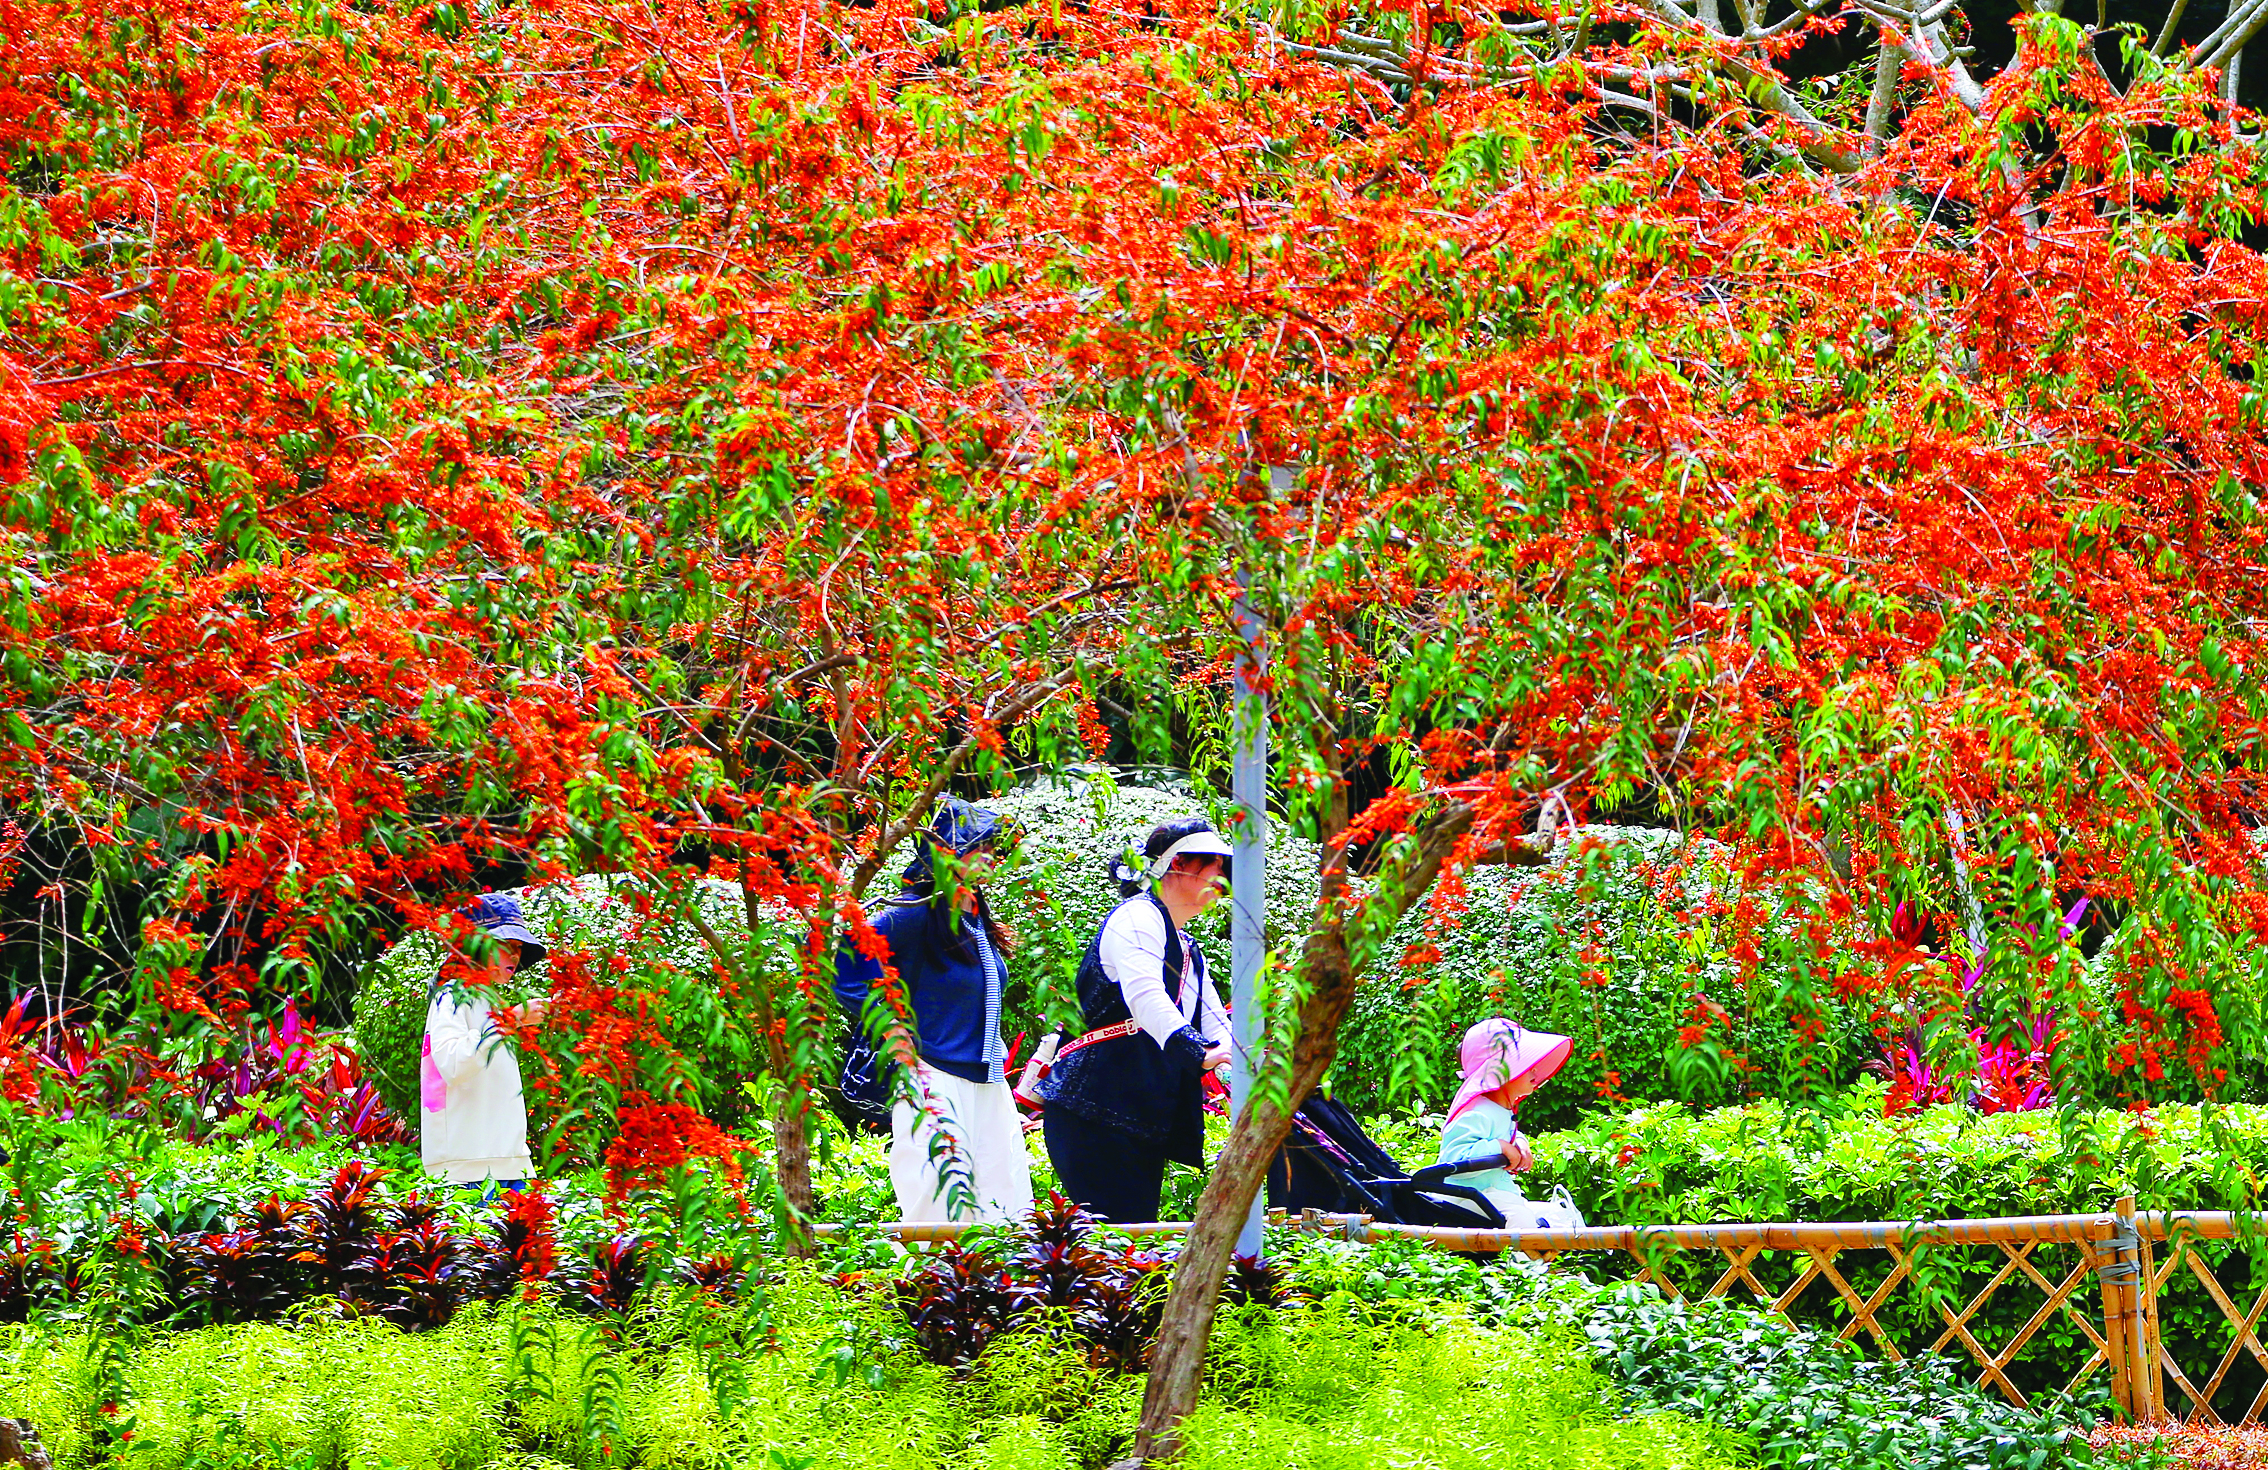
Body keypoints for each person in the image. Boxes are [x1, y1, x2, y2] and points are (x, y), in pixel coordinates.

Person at [833, 798, 1034, 1223]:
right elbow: (849, 967)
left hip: (986, 1078)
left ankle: (990, 1290)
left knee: (1005, 1198)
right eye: (978, 849)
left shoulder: (973, 916)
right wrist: (892, 1029)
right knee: (938, 1201)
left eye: (992, 851)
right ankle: (929, 1287)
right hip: (933, 1076)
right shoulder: (914, 914)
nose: (990, 859)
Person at [1036, 816, 1234, 1223]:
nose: (1221, 875)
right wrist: (1197, 1051)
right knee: (1113, 1241)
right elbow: (1146, 996)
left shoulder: (1187, 947)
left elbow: (1217, 1024)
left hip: (1136, 1115)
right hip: (1092, 1109)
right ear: (1175, 866)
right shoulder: (1137, 917)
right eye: (1211, 862)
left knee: (1130, 1239)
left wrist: (1242, 1057)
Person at [422, 892, 550, 1190]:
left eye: (518, 947)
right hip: (469, 1171)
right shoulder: (451, 996)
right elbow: (454, 1064)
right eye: (506, 945)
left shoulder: (486, 1000)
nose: (516, 955)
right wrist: (511, 1020)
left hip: (505, 1162)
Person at [1434, 1017, 1573, 1220]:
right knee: (1523, 1221)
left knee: (1561, 1217)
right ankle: (1530, 1252)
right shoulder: (1476, 1111)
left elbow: (1498, 1131)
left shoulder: (1499, 1109)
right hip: (1464, 1202)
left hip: (1492, 1197)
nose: (1535, 1072)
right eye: (1526, 1065)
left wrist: (1518, 1141)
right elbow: (1454, 1160)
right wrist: (1499, 1147)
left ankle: (1538, 1250)